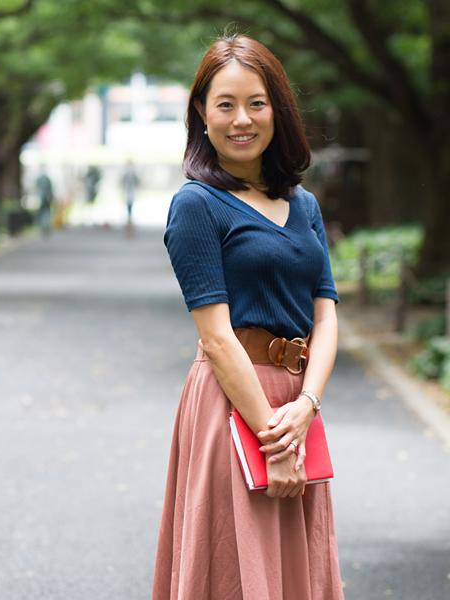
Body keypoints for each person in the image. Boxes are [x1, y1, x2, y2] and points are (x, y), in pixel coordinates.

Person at [153, 34, 344, 600]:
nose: (242, 119)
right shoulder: (196, 206)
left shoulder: (303, 204)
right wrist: (273, 439)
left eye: (256, 103)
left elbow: (326, 316)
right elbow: (214, 338)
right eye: (225, 104)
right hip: (236, 403)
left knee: (294, 567)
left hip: (297, 405)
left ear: (277, 110)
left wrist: (307, 406)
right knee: (236, 571)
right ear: (201, 114)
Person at [35, 169, 54, 236]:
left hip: (42, 198)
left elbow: (36, 188)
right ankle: (45, 227)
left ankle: (44, 227)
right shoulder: (47, 179)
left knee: (43, 213)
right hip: (46, 198)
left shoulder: (39, 179)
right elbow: (51, 189)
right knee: (46, 213)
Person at [121, 159, 139, 224]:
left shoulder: (134, 174)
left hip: (132, 190)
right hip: (127, 190)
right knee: (127, 203)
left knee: (131, 203)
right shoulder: (125, 174)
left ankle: (130, 217)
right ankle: (128, 217)